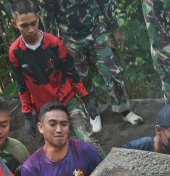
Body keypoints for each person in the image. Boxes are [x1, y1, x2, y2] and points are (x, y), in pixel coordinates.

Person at [39, 0, 144, 132]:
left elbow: (104, 3)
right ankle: (93, 114)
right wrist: (53, 46)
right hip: (70, 37)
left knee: (110, 70)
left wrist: (115, 28)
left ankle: (124, 110)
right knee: (81, 78)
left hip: (95, 30)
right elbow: (47, 17)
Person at [8, 0, 99, 149]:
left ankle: (106, 169)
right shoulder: (15, 52)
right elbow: (21, 85)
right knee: (59, 147)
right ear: (14, 23)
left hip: (67, 99)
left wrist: (86, 98)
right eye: (24, 25)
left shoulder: (53, 42)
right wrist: (27, 115)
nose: (30, 29)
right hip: (44, 108)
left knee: (87, 141)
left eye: (33, 23)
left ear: (38, 17)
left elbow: (71, 71)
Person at [20, 101, 103, 176]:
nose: (59, 130)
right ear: (41, 127)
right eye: (52, 124)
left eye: (64, 124)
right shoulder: (31, 167)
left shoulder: (84, 150)